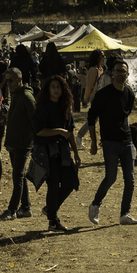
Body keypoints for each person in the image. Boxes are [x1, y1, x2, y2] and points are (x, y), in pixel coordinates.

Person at [87, 59, 137, 226]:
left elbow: (126, 115)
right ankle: (95, 205)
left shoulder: (129, 93)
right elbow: (91, 118)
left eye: (123, 71)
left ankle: (125, 213)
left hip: (127, 141)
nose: (120, 74)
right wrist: (94, 142)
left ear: (127, 74)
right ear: (111, 73)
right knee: (110, 178)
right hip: (110, 143)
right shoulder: (103, 95)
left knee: (130, 180)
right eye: (117, 71)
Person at [34, 74, 81, 232]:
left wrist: (76, 153)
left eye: (58, 87)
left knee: (71, 181)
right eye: (52, 87)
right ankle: (53, 221)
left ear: (63, 89)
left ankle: (50, 209)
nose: (55, 89)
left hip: (63, 151)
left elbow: (71, 132)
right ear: (48, 89)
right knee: (53, 185)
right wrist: (60, 131)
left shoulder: (66, 107)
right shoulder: (42, 107)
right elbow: (40, 131)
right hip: (47, 151)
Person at [0, 67, 36, 220]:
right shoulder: (16, 94)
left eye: (11, 80)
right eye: (6, 80)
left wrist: (35, 142)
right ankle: (25, 207)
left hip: (22, 143)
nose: (8, 83)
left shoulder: (26, 96)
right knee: (20, 176)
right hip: (13, 142)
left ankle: (12, 210)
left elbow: (34, 121)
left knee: (18, 177)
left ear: (19, 79)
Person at [75, 50, 106, 144]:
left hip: (100, 96)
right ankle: (79, 135)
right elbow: (90, 85)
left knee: (100, 118)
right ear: (98, 57)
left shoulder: (100, 68)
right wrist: (86, 96)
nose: (104, 58)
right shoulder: (93, 70)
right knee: (95, 118)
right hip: (95, 96)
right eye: (102, 56)